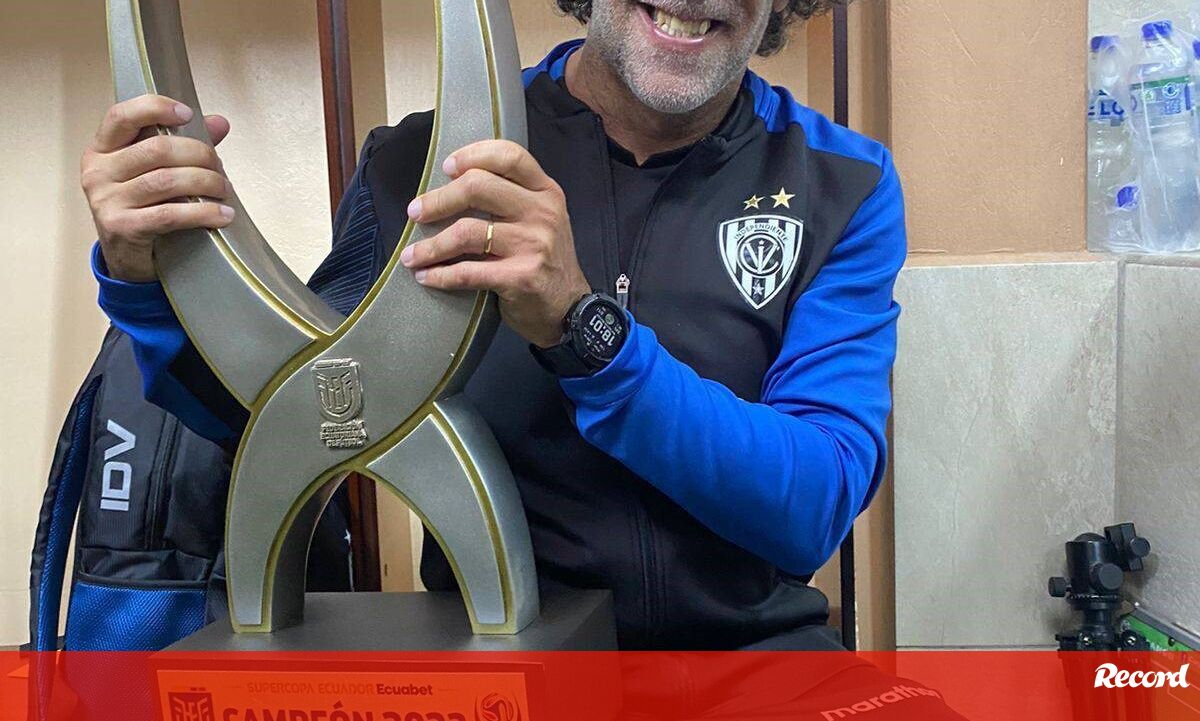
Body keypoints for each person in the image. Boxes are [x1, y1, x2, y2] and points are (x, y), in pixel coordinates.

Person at [82, 0, 905, 652]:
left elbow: (813, 502)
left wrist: (585, 331)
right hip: (503, 655)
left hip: (756, 664)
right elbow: (286, 420)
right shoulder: (418, 164)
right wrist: (146, 276)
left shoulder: (843, 183)